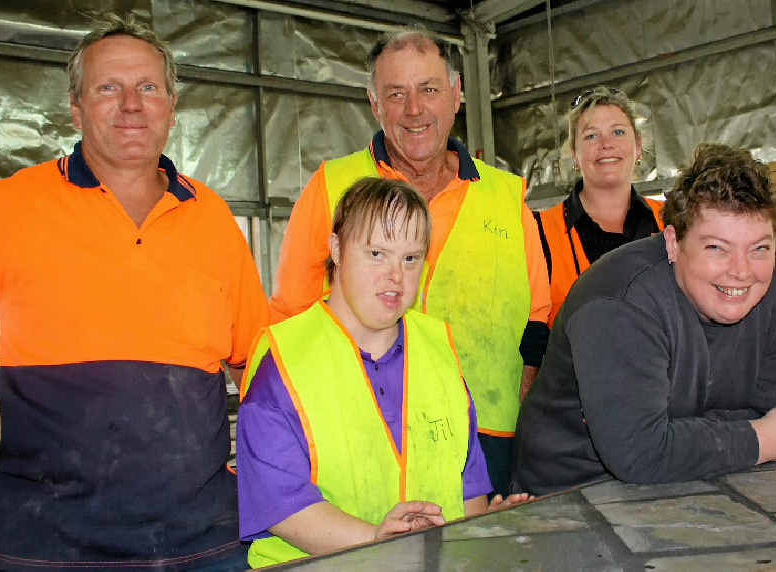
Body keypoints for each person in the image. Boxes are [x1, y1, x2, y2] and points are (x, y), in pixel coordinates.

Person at [0, 14, 268, 570]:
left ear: (172, 107)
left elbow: (258, 363)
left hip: (204, 543)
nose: (131, 104)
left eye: (148, 87)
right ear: (76, 108)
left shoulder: (211, 217)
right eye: (107, 88)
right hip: (48, 546)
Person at [268, 27, 550, 495]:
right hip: (360, 437)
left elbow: (538, 322)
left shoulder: (506, 197)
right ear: (374, 103)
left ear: (457, 95)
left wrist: (514, 410)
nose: (414, 109)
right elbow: (291, 317)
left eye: (429, 89)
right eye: (396, 94)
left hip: (483, 442)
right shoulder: (331, 187)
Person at [237, 177, 530, 567]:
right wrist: (375, 540)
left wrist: (480, 529)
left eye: (410, 259)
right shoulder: (285, 360)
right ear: (337, 249)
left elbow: (466, 483)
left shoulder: (438, 348)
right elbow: (280, 505)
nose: (396, 275)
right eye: (377, 253)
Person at [513, 144, 776, 494]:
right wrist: (758, 437)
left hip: (708, 477)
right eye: (716, 247)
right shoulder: (618, 301)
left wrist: (671, 433)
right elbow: (639, 453)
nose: (741, 272)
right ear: (673, 242)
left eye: (759, 248)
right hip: (570, 490)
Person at [535, 86, 665, 326]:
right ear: (574, 153)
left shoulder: (673, 219)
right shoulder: (538, 232)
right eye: (591, 135)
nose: (606, 144)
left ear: (638, 146)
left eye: (618, 131)